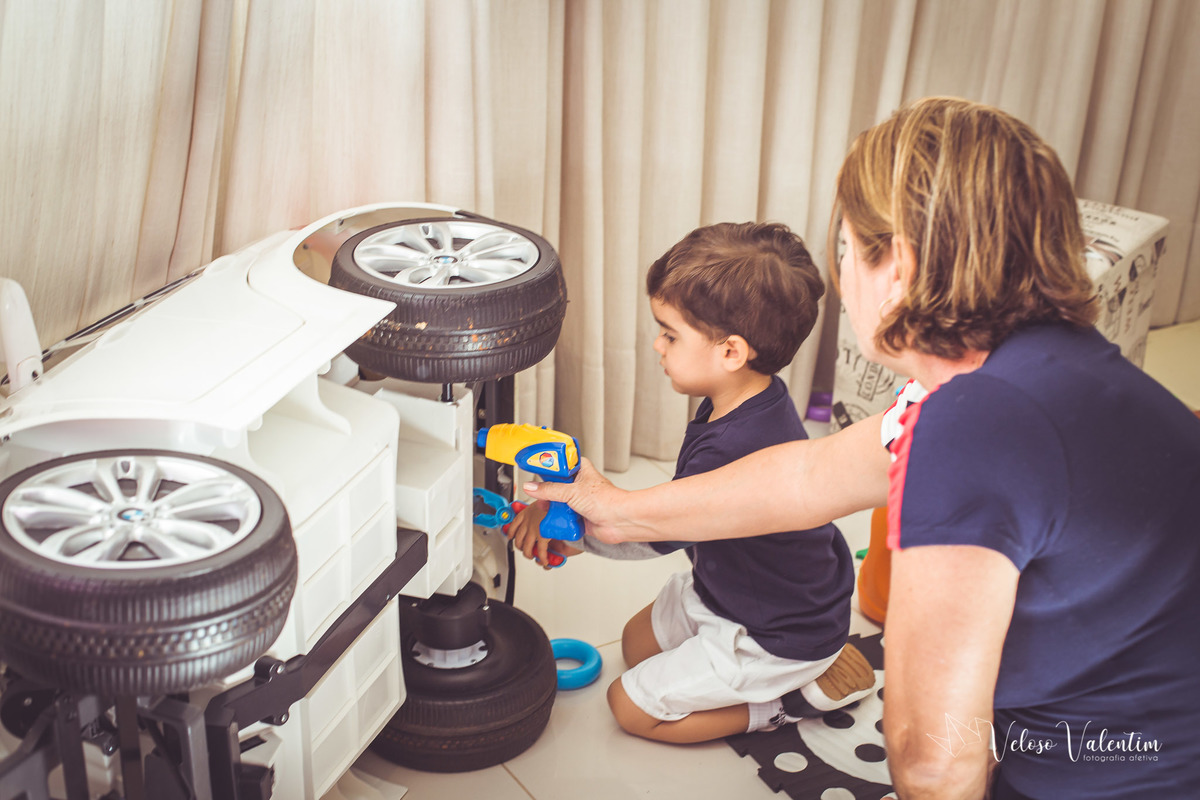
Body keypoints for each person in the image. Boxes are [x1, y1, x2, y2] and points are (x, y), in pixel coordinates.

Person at [526, 98, 1200, 798]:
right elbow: (806, 477)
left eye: (846, 248)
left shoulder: (977, 424)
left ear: (898, 267)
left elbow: (933, 761)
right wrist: (614, 509)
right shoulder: (1032, 370)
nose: (841, 277)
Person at [509, 221, 875, 744]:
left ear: (731, 352)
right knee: (635, 644)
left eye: (670, 333)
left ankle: (791, 701)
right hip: (729, 590)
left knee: (630, 708)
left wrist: (572, 536)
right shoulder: (750, 398)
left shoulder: (736, 444)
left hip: (776, 631)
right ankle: (807, 664)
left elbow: (652, 534)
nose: (657, 344)